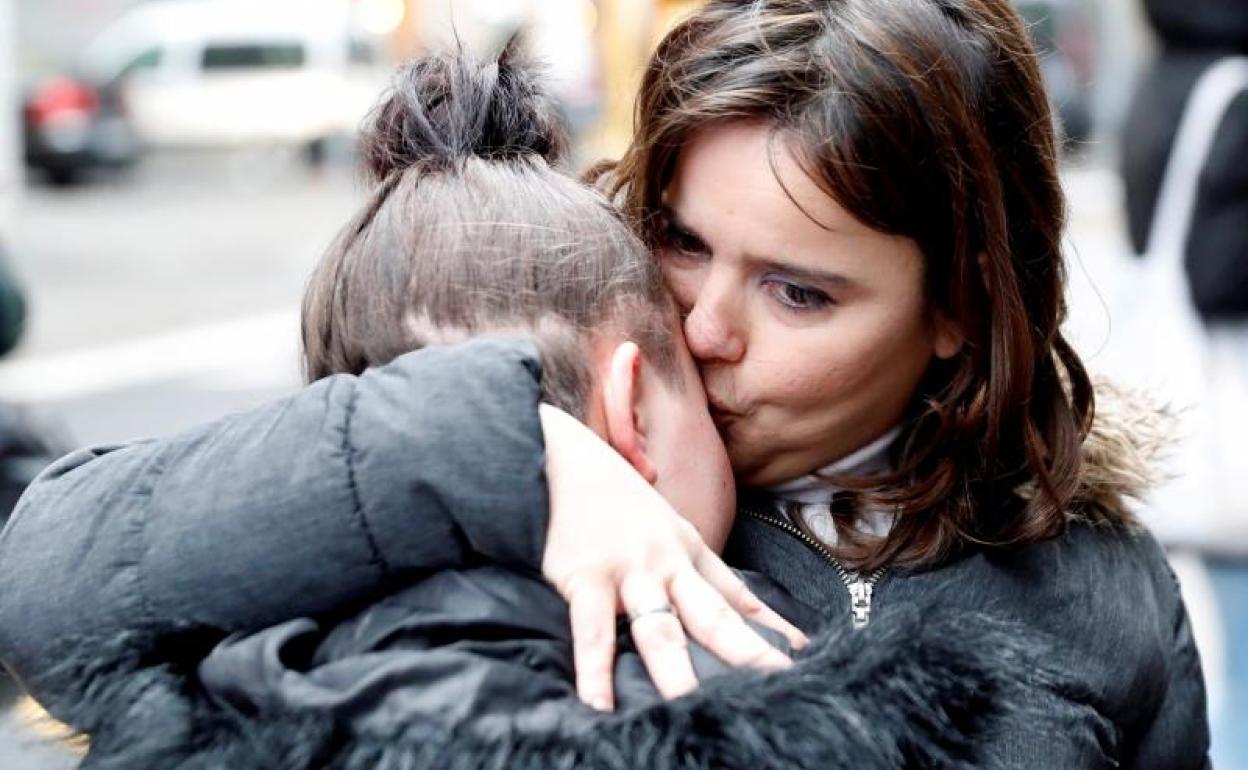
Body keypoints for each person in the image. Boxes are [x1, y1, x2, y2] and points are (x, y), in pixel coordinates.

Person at [0, 1, 1209, 767]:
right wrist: (509, 447)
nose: (706, 325)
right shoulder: (498, 470)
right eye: (680, 239)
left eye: (800, 292)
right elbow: (47, 578)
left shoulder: (1101, 587)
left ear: (960, 308)